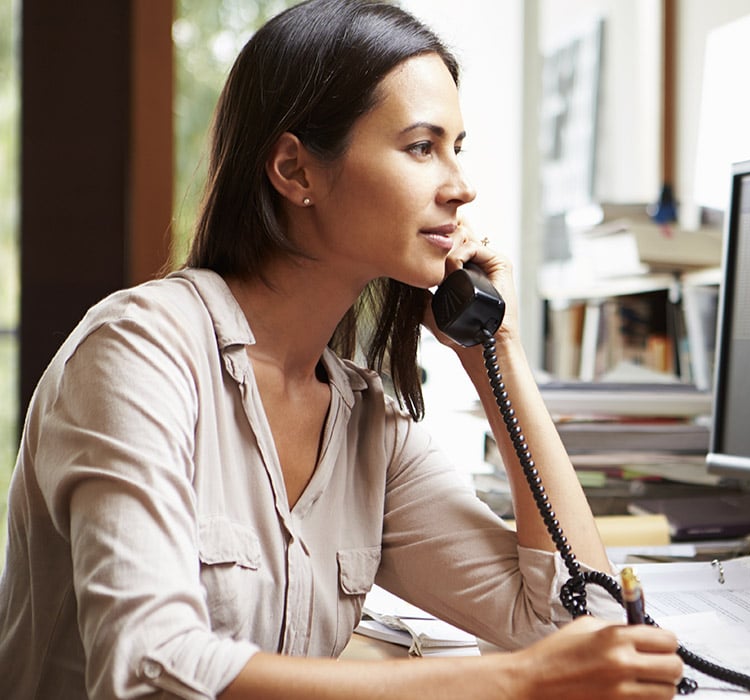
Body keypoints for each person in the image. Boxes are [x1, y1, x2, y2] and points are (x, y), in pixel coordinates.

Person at [0, 1, 686, 697]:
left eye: (458, 147)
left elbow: (583, 625)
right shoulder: (138, 353)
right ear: (296, 171)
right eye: (422, 147)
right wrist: (510, 682)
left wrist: (496, 355)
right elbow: (150, 668)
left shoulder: (363, 426)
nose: (461, 185)